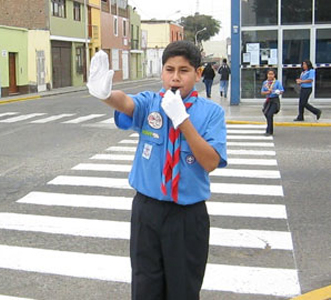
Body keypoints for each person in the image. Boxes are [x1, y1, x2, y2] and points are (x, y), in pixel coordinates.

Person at [87, 41, 227, 300]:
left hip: (187, 216)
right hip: (147, 211)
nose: (175, 77)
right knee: (145, 287)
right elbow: (126, 103)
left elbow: (210, 162)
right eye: (169, 69)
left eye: (184, 70)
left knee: (183, 290)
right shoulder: (151, 102)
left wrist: (182, 121)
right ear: (162, 72)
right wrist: (105, 94)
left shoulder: (211, 113)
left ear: (198, 74)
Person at [261, 69, 284, 136]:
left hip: (274, 100)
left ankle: (269, 131)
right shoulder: (265, 83)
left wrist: (277, 92)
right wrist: (267, 92)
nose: (270, 76)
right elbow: (262, 92)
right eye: (269, 74)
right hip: (268, 100)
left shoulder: (277, 82)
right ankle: (269, 127)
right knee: (266, 113)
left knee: (269, 114)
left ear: (274, 75)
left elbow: (281, 91)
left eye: (272, 74)